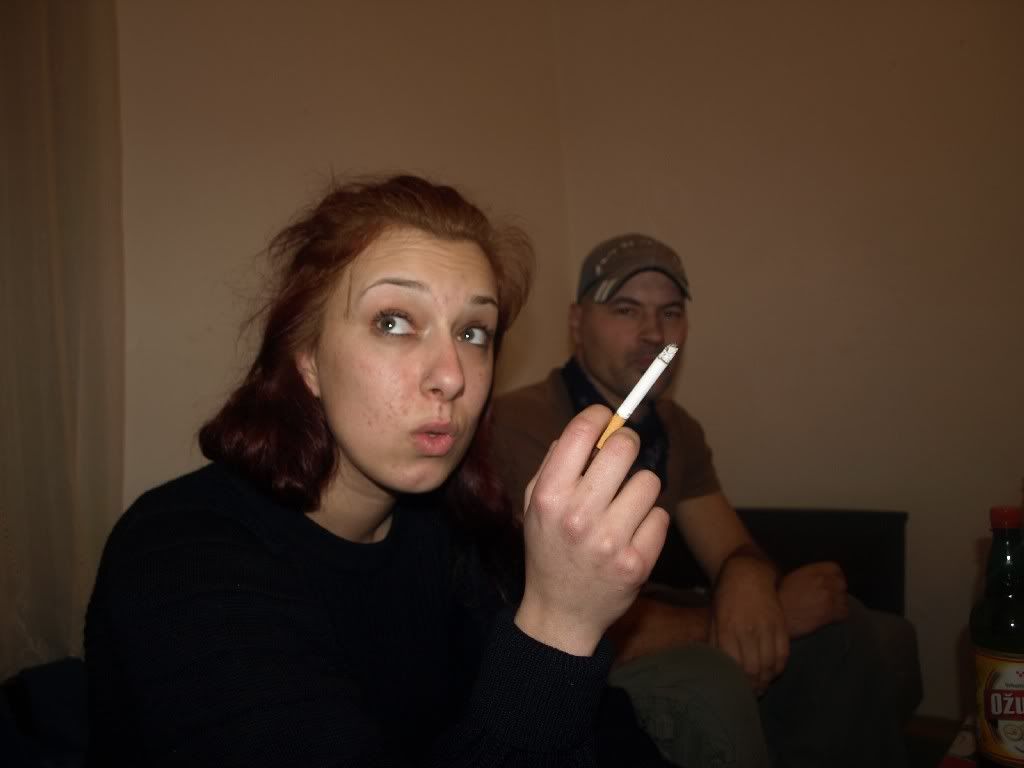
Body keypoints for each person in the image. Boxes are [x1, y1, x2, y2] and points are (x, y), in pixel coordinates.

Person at [83, 179, 679, 767]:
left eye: (473, 332)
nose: (452, 375)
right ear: (308, 359)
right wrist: (559, 625)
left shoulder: (458, 537)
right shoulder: (179, 555)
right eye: (393, 321)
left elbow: (597, 730)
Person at [491, 233, 922, 768]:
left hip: (652, 611)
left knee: (846, 623)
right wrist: (750, 620)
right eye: (626, 309)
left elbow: (732, 548)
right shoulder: (520, 425)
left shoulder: (676, 428)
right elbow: (541, 617)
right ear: (577, 323)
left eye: (670, 313)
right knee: (714, 679)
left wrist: (748, 579)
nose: (654, 333)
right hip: (577, 649)